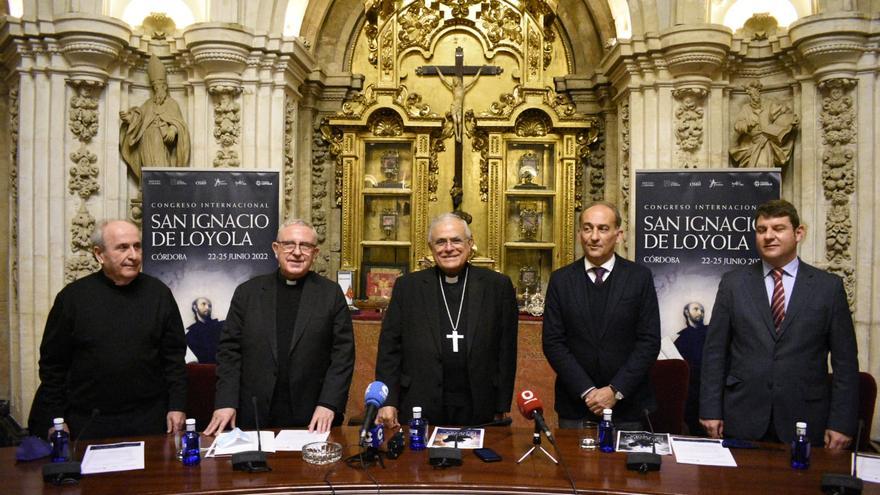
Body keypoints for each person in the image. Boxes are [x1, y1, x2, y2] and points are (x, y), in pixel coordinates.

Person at [700, 199, 858, 448]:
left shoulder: (828, 288)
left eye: (778, 228)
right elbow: (714, 353)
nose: (768, 236)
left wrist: (841, 423)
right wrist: (710, 409)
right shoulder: (733, 284)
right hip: (743, 416)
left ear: (798, 233)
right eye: (761, 230)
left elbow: (845, 362)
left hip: (805, 418)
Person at [28, 220, 187, 440]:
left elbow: (174, 358)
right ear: (99, 254)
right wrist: (56, 417)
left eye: (137, 246)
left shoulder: (159, 294)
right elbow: (53, 365)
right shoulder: (72, 299)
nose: (133, 255)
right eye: (122, 247)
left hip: (149, 418)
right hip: (88, 421)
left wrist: (177, 405)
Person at [204, 220, 354, 435]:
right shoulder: (247, 293)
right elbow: (229, 352)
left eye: (305, 246)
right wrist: (226, 401)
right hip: (254, 412)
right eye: (289, 244)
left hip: (313, 414)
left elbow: (343, 356)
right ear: (276, 249)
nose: (297, 252)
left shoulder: (331, 294)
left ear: (315, 253)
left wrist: (329, 403)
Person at [375, 213, 518, 428]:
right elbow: (389, 349)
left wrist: (501, 405)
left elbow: (506, 352)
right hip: (419, 401)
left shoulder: (497, 286)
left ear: (470, 245)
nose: (448, 248)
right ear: (431, 248)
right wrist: (388, 400)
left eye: (456, 240)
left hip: (480, 403)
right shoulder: (408, 287)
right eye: (440, 242)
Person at [543, 201, 660, 430]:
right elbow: (553, 342)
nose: (594, 236)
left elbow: (648, 341)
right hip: (576, 406)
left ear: (618, 234)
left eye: (603, 229)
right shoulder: (561, 281)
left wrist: (614, 391)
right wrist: (588, 391)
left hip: (628, 407)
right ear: (579, 234)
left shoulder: (639, 278)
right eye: (587, 228)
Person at [119, 54, 191, 180]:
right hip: (146, 140)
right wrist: (129, 119)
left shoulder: (172, 103)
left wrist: (172, 129)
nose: (157, 90)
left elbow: (179, 123)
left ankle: (163, 189)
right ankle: (147, 189)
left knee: (161, 164)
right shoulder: (148, 104)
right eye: (155, 87)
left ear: (165, 87)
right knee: (148, 168)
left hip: (160, 141)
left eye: (159, 87)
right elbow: (139, 117)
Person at [674, 302, 708, 435]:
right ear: (687, 312)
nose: (700, 312)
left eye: (702, 310)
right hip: (689, 393)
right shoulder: (681, 339)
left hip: (706, 389)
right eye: (696, 309)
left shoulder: (710, 333)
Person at [185, 297, 224, 364]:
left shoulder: (221, 326)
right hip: (202, 371)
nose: (207, 308)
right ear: (195, 307)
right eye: (203, 304)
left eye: (210, 306)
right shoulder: (190, 334)